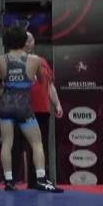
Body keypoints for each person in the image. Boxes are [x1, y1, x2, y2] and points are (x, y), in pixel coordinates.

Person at [0, 26, 62, 193]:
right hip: (24, 106)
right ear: (24, 41)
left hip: (6, 104)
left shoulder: (0, 60)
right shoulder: (35, 60)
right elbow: (42, 80)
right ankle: (41, 179)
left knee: (7, 143)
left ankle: (8, 181)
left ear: (7, 42)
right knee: (36, 143)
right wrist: (31, 78)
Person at [15, 32, 64, 187]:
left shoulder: (42, 62)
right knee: (18, 145)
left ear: (33, 42)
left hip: (42, 110)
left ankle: (39, 179)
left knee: (40, 145)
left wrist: (57, 104)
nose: (28, 43)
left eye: (30, 40)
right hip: (23, 109)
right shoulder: (14, 61)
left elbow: (50, 85)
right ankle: (12, 180)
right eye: (25, 40)